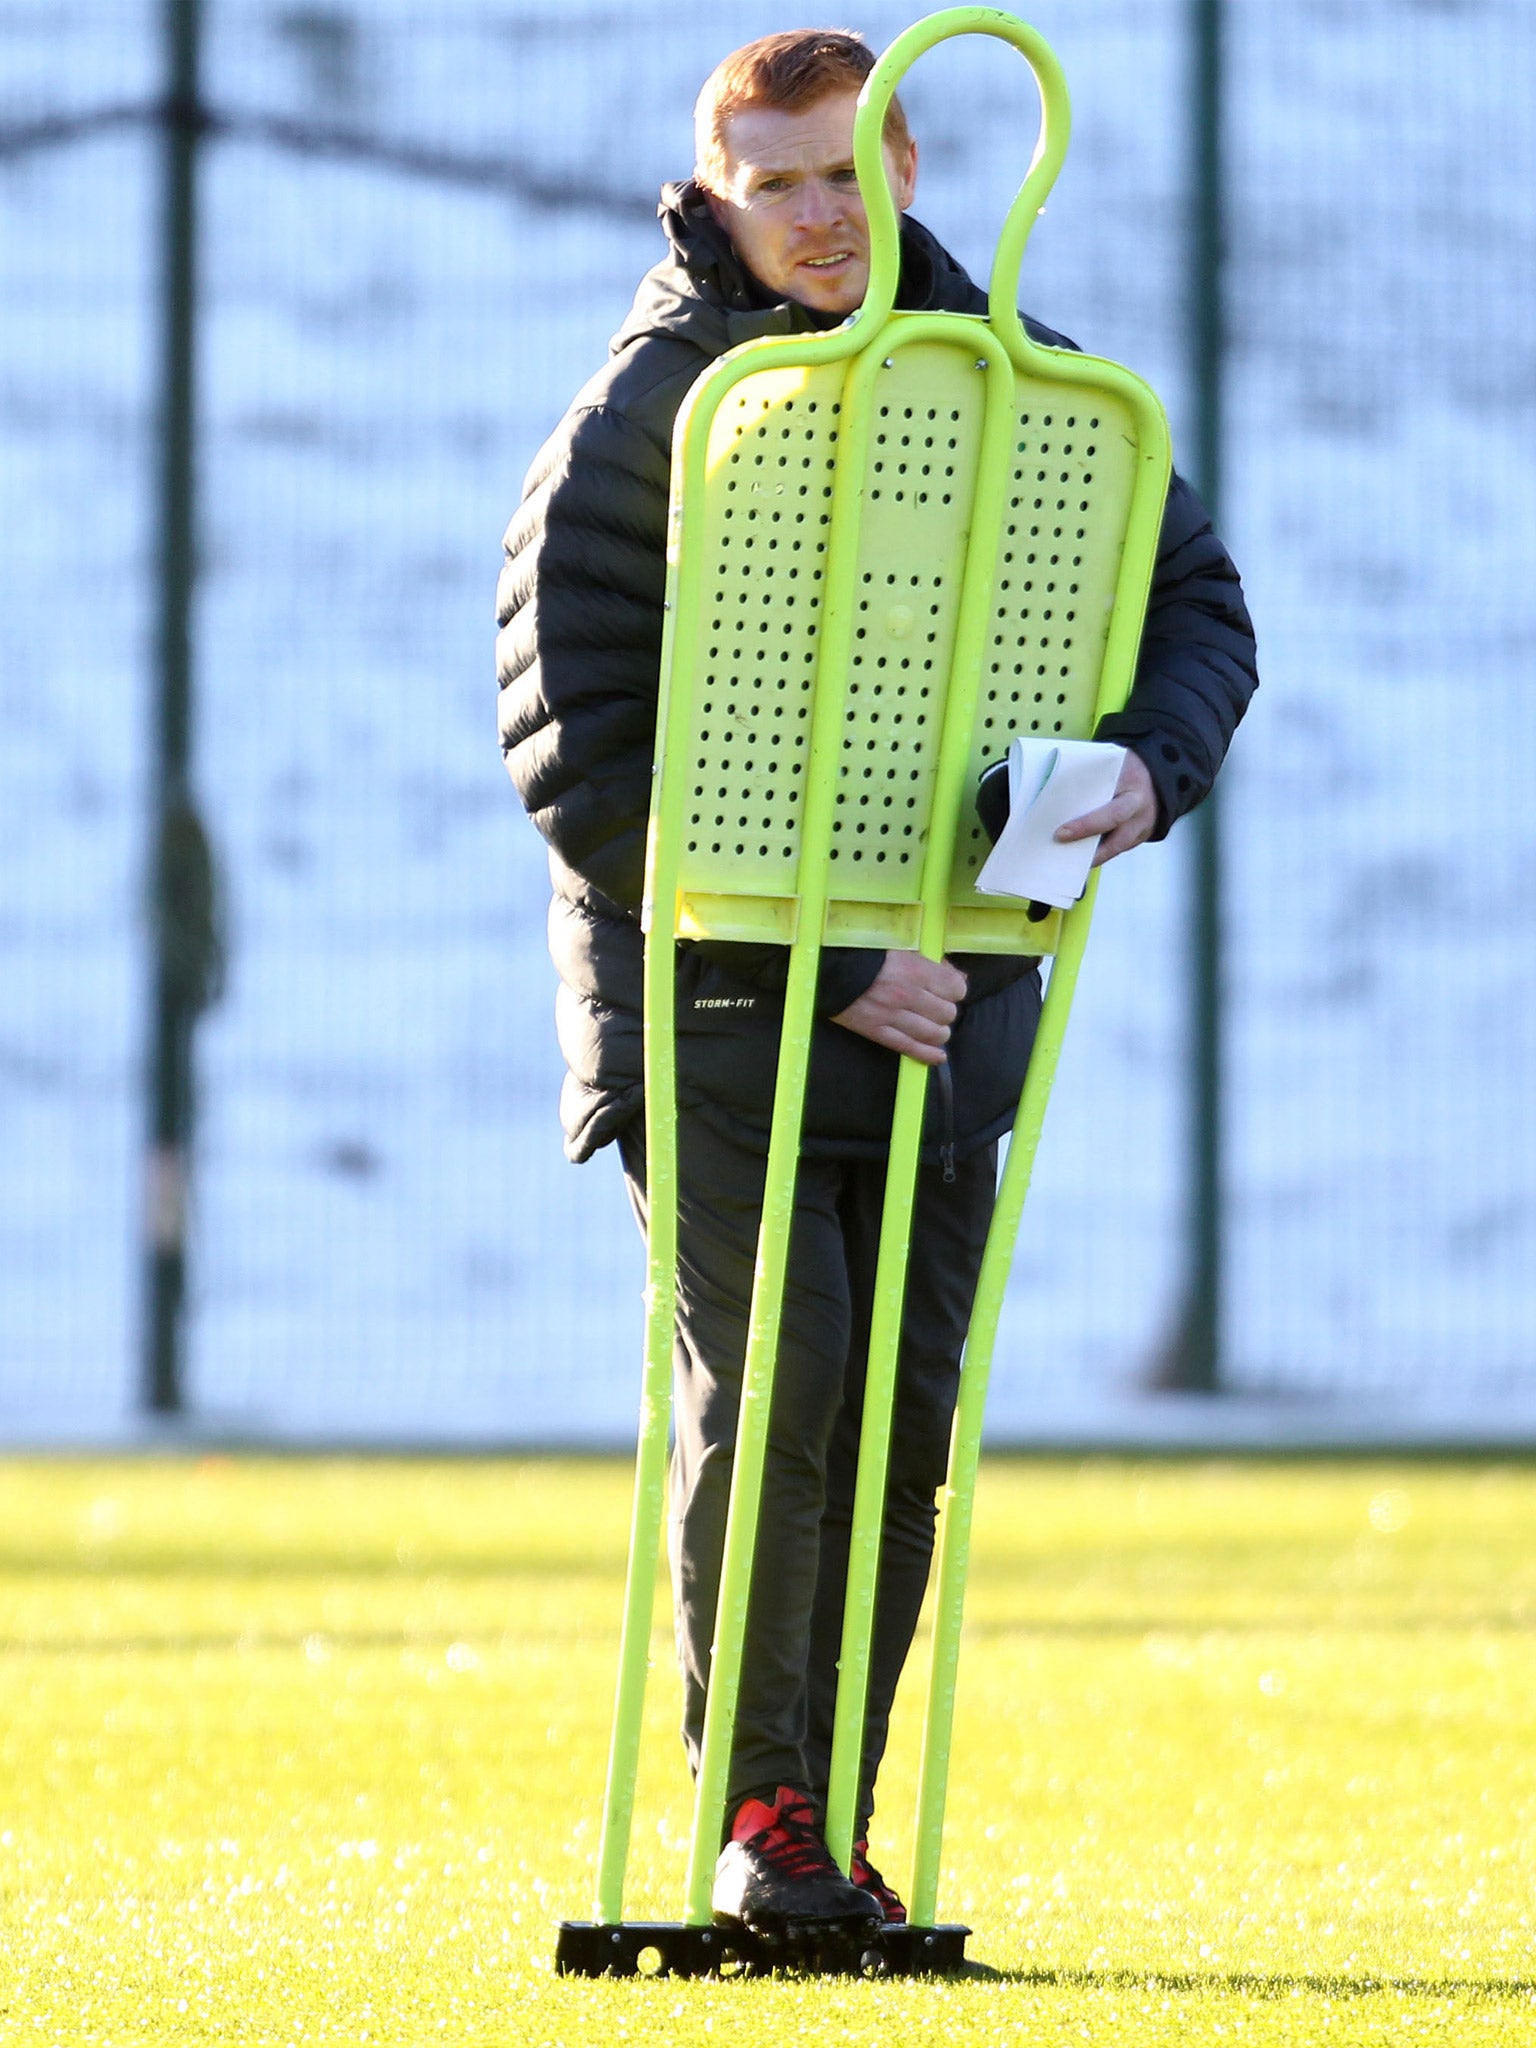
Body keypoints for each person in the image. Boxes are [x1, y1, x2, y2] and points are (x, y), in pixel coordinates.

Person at [497, 29, 1257, 1938]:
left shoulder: (1027, 390)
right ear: (719, 195)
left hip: (962, 1003)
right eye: (780, 182)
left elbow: (1200, 608)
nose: (821, 215)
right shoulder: (655, 410)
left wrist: (1139, 773)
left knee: (906, 1421)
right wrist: (832, 959)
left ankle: (827, 1828)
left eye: (849, 171)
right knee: (780, 1400)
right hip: (724, 1013)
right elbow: (575, 745)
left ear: (910, 164)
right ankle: (762, 1816)